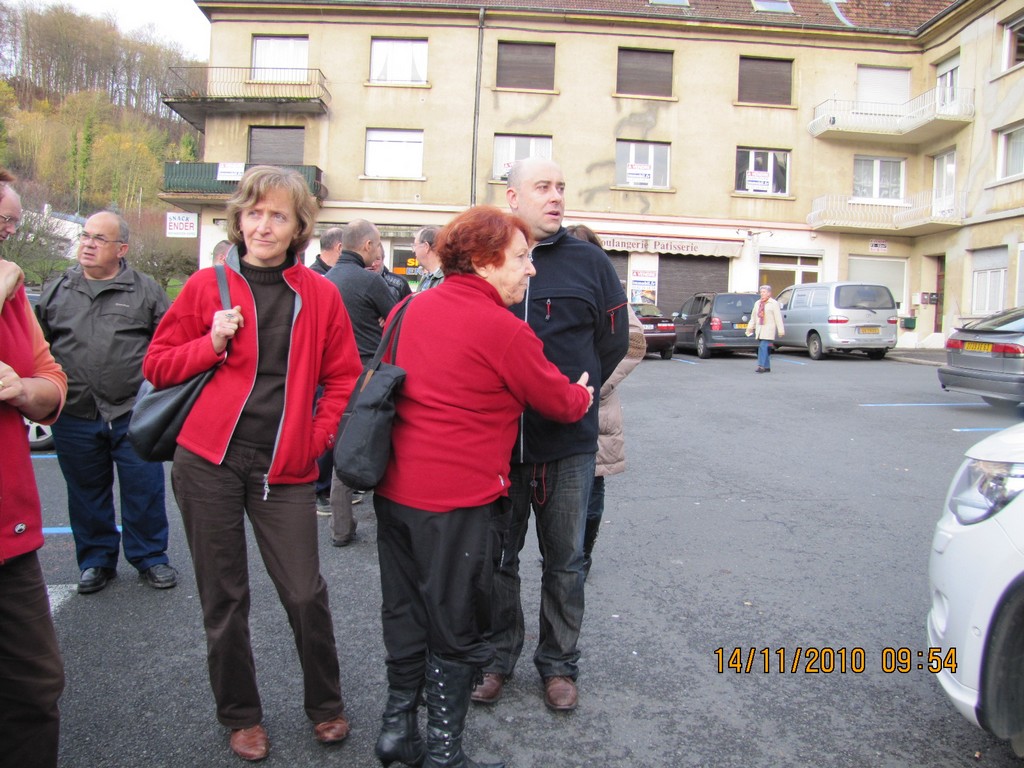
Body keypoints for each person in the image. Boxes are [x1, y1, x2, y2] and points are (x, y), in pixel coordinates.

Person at [142, 165, 362, 762]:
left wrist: (315, 439)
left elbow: (344, 377)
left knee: (304, 592)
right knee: (225, 598)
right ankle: (240, 715)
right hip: (206, 462)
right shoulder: (205, 286)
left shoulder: (321, 295)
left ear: (298, 228)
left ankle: (326, 704)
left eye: (278, 216)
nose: (264, 225)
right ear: (239, 219)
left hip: (284, 465)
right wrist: (209, 343)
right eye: (255, 213)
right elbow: (157, 366)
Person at [372, 205, 594, 768]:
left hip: (394, 493)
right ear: (483, 262)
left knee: (405, 610)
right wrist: (584, 394)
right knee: (455, 623)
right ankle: (444, 751)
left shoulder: (407, 308)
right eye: (520, 258)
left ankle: (397, 730)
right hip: (458, 502)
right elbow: (557, 401)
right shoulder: (502, 327)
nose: (531, 268)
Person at [474, 158, 629, 712]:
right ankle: (496, 659)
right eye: (543, 187)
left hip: (567, 442)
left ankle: (559, 665)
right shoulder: (489, 256)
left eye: (561, 186)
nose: (556, 196)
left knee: (566, 561)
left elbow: (613, 340)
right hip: (499, 443)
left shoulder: (590, 261)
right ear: (513, 197)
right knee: (497, 559)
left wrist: (573, 390)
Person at [36, 210, 178, 596]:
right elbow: (38, 346)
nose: (88, 244)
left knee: (143, 490)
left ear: (122, 249)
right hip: (75, 413)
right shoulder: (59, 290)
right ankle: (96, 560)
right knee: (86, 492)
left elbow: (170, 345)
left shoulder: (145, 290)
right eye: (85, 236)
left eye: (99, 238)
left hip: (132, 412)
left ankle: (150, 557)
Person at [0, 176, 68, 768]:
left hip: (9, 532)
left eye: (13, 222)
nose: (8, 231)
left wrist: (25, 389)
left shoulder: (13, 289)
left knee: (34, 686)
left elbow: (51, 380)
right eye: (3, 218)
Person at [565, 225, 647, 579]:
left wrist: (598, 385)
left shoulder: (608, 291)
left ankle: (582, 555)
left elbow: (635, 344)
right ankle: (564, 552)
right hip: (556, 404)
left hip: (597, 406)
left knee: (593, 485)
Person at [323, 219, 397, 545]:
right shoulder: (369, 281)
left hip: (333, 377)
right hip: (368, 376)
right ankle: (392, 527)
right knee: (381, 444)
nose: (378, 250)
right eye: (378, 244)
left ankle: (340, 528)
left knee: (344, 449)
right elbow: (399, 318)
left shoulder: (325, 281)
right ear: (367, 245)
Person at [745, 284, 785, 373]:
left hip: (768, 330)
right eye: (761, 292)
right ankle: (767, 366)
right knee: (765, 348)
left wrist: (781, 330)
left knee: (762, 346)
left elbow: (778, 318)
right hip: (760, 329)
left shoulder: (773, 303)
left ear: (769, 293)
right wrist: (750, 328)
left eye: (764, 292)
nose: (762, 294)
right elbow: (753, 317)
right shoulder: (757, 303)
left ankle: (761, 366)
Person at [413, 225, 443, 290]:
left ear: (426, 246)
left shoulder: (446, 279)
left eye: (415, 245)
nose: (413, 250)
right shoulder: (426, 277)